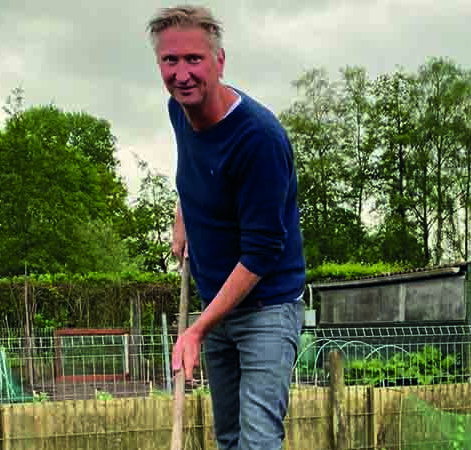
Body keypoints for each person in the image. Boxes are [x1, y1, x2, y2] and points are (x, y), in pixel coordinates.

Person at [147, 5, 306, 450]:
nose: (181, 74)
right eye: (170, 60)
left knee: (256, 442)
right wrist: (184, 213)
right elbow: (195, 168)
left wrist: (197, 329)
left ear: (219, 61)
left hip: (267, 309)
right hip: (217, 303)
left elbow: (261, 252)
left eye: (193, 59)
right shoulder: (180, 110)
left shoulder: (258, 140)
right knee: (229, 439)